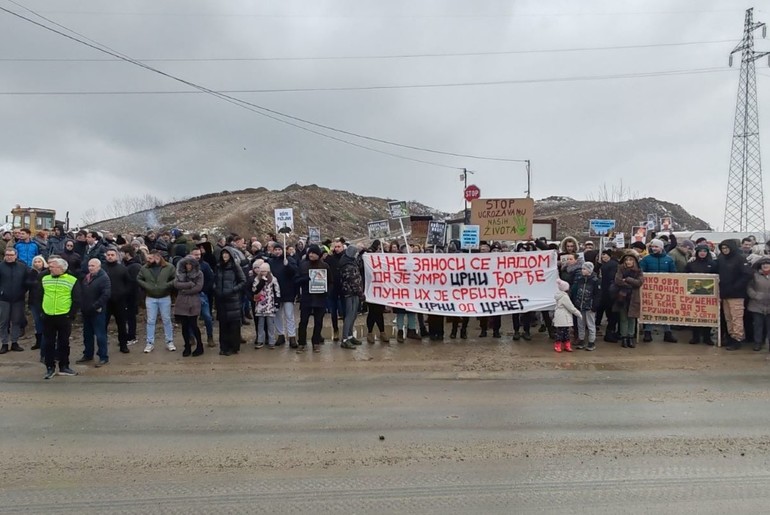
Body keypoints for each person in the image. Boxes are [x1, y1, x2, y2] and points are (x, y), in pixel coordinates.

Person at [41, 257, 80, 379]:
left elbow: (76, 299)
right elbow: (38, 295)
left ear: (61, 268)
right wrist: (41, 311)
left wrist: (71, 315)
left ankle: (64, 366)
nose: (49, 268)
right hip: (48, 315)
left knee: (64, 342)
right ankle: (49, 367)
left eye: (52, 266)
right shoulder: (44, 278)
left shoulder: (72, 280)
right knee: (48, 343)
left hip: (64, 315)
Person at [136, 250, 177, 353]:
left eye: (151, 258)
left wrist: (166, 286)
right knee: (150, 320)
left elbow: (175, 278)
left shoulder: (169, 267)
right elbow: (139, 278)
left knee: (167, 319)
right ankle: (149, 343)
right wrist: (147, 286)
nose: (148, 260)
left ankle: (169, 341)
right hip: (150, 297)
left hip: (165, 297)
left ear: (157, 257)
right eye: (148, 258)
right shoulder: (145, 268)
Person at [640, 239, 678, 343]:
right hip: (649, 290)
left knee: (665, 310)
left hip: (665, 291)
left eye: (656, 247)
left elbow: (674, 274)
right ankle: (647, 332)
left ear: (661, 248)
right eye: (653, 247)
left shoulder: (669, 260)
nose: (654, 248)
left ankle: (667, 333)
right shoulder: (646, 259)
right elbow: (641, 272)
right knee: (650, 310)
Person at [76, 259, 112, 367]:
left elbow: (106, 295)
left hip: (97, 311)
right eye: (89, 265)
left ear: (99, 267)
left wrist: (96, 306)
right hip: (86, 310)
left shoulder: (104, 278)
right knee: (87, 334)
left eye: (93, 266)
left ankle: (103, 357)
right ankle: (88, 354)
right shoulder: (87, 277)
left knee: (100, 335)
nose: (90, 267)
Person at [718, 239, 752, 350]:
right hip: (724, 293)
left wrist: (736, 286)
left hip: (737, 294)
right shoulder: (721, 258)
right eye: (723, 248)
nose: (725, 250)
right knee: (728, 318)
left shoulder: (740, 258)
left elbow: (747, 274)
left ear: (732, 248)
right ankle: (731, 337)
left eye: (726, 248)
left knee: (736, 318)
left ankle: (737, 339)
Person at [296, 244, 330, 353]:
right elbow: (296, 280)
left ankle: (316, 342)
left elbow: (331, 281)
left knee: (318, 322)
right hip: (306, 297)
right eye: (310, 252)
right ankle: (301, 343)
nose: (311, 255)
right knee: (303, 322)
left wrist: (327, 291)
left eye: (314, 253)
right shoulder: (303, 265)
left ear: (318, 254)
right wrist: (305, 279)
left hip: (320, 298)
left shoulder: (324, 266)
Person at [214, 248, 246, 356]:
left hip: (233, 299)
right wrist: (216, 289)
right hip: (221, 299)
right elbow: (215, 280)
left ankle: (234, 347)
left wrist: (233, 290)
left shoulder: (235, 267)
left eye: (227, 254)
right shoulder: (218, 267)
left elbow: (243, 281)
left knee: (234, 325)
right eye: (223, 254)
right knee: (223, 325)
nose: (225, 256)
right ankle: (224, 347)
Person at [685, 244, 718, 345]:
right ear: (697, 252)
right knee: (694, 315)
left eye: (704, 251)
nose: (702, 253)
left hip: (708, 296)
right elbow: (684, 277)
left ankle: (707, 337)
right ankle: (695, 337)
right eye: (700, 251)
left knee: (707, 316)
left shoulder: (713, 264)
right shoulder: (691, 264)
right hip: (693, 295)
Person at [174, 256, 205, 357]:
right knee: (184, 326)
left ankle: (200, 346)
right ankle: (187, 346)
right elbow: (176, 284)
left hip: (193, 302)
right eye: (186, 264)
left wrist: (185, 290)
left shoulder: (199, 273)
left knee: (194, 325)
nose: (188, 266)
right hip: (182, 302)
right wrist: (189, 284)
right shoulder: (180, 273)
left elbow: (198, 287)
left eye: (190, 264)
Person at [268, 243, 298, 348]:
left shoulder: (289, 260)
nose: (277, 252)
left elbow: (294, 272)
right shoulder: (271, 262)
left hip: (288, 291)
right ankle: (280, 334)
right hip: (275, 292)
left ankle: (292, 336)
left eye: (279, 250)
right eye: (275, 250)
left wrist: (288, 265)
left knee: (289, 315)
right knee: (277, 315)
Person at [0, 247, 29, 353]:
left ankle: (15, 342)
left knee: (16, 321)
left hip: (18, 299)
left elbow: (27, 281)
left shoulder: (22, 267)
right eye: (7, 255)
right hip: (3, 299)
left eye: (11, 255)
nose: (9, 257)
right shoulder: (1, 266)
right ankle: (4, 343)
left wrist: (23, 291)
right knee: (3, 322)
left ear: (16, 256)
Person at [102, 248, 131, 354]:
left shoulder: (122, 268)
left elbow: (129, 283)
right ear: (106, 256)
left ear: (116, 256)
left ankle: (123, 345)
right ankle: (102, 347)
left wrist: (123, 293)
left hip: (119, 301)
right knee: (103, 325)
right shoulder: (102, 268)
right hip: (105, 301)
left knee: (122, 325)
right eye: (108, 255)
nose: (110, 256)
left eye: (112, 255)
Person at [614, 252, 644, 348]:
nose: (628, 262)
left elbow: (639, 282)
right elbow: (618, 280)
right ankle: (624, 337)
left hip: (633, 297)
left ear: (634, 261)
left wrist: (627, 279)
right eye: (627, 260)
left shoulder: (638, 271)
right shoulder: (621, 269)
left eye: (631, 260)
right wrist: (631, 285)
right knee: (623, 319)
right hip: (622, 297)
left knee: (632, 318)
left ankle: (630, 337)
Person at [339, 244, 365, 349]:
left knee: (353, 315)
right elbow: (353, 282)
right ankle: (345, 339)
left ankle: (350, 336)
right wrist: (360, 293)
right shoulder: (347, 265)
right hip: (350, 293)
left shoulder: (350, 261)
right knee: (349, 316)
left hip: (353, 293)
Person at [571, 262, 600, 351]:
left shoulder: (595, 280)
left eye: (584, 269)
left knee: (590, 324)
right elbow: (575, 291)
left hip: (590, 306)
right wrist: (576, 302)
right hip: (580, 305)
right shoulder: (580, 279)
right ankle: (581, 339)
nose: (582, 270)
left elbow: (597, 295)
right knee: (580, 324)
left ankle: (591, 341)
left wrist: (595, 305)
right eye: (582, 269)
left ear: (589, 270)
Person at [251, 262, 281, 349]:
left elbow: (277, 291)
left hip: (270, 304)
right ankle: (260, 340)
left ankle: (271, 341)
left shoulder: (273, 279)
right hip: (260, 304)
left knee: (270, 324)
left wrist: (277, 303)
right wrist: (262, 281)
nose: (263, 273)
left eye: (265, 271)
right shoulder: (257, 279)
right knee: (260, 324)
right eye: (262, 271)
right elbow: (255, 290)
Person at [190, 247, 215, 347]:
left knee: (207, 317)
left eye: (199, 255)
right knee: (190, 317)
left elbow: (210, 278)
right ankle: (191, 337)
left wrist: (204, 290)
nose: (198, 257)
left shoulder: (205, 265)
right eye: (196, 254)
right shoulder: (186, 265)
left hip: (202, 294)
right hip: (190, 295)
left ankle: (210, 337)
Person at [120, 245, 143, 347]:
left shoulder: (134, 266)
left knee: (131, 317)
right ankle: (127, 336)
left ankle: (132, 336)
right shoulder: (126, 264)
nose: (119, 255)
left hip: (131, 296)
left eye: (121, 252)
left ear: (127, 253)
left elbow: (134, 283)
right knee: (126, 317)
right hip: (126, 295)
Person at [27, 255, 49, 358]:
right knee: (37, 322)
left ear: (43, 262)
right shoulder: (31, 273)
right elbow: (26, 283)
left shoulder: (48, 272)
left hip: (45, 301)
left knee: (45, 322)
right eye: (35, 262)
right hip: (34, 301)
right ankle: (38, 342)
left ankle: (46, 341)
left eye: (39, 261)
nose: (37, 263)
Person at [747, 256, 770, 351]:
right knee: (758, 325)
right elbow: (749, 287)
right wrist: (755, 295)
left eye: (767, 264)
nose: (765, 265)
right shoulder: (754, 275)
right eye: (763, 264)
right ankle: (757, 343)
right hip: (756, 304)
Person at [597, 249, 619, 343]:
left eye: (604, 255)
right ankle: (611, 333)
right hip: (611, 292)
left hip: (607, 292)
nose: (603, 257)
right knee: (612, 314)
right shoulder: (613, 264)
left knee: (611, 313)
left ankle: (610, 333)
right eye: (602, 255)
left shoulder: (607, 265)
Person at [553, 279, 581, 353]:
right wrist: (579, 314)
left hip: (560, 316)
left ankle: (561, 345)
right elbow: (571, 308)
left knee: (561, 332)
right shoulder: (565, 297)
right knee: (564, 332)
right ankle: (564, 345)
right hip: (564, 317)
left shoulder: (559, 295)